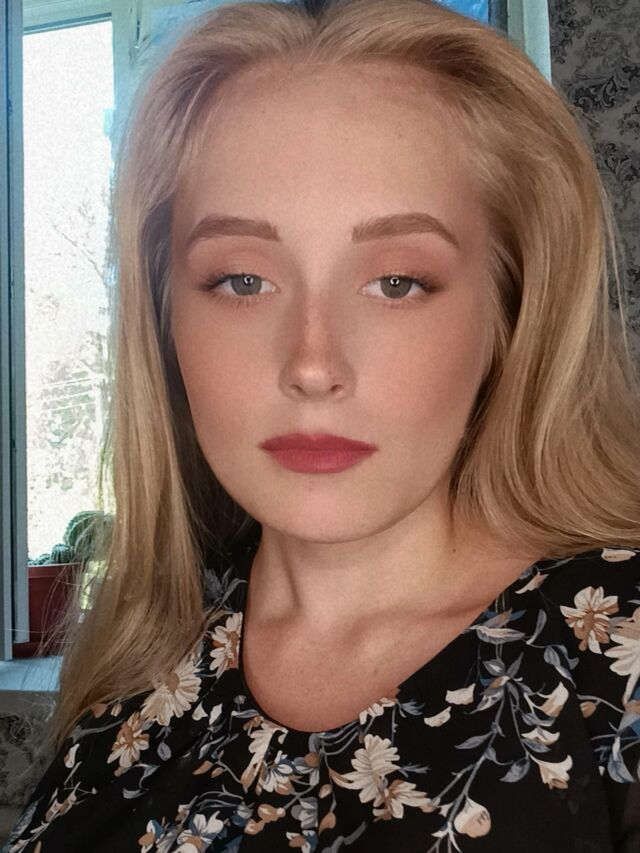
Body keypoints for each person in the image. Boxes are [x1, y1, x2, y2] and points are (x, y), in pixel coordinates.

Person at [4, 0, 640, 850]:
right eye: (241, 280)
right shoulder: (132, 677)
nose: (312, 362)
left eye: (396, 283)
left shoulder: (619, 666)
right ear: (165, 318)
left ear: (510, 310)